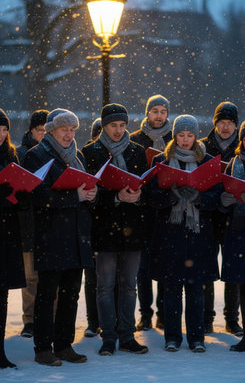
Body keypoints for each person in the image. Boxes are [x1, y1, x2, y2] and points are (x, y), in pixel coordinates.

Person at [24, 108, 97, 366]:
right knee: (47, 294)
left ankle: (64, 345)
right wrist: (74, 196)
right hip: (51, 235)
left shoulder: (77, 155)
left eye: (73, 129)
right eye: (64, 129)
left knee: (71, 293)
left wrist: (90, 194)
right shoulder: (37, 155)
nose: (69, 134)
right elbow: (38, 195)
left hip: (76, 236)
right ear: (51, 130)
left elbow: (83, 189)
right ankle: (43, 348)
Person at [149, 115, 221, 353]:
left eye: (190, 135)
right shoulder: (162, 160)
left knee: (195, 289)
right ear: (175, 136)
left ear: (196, 135)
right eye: (181, 135)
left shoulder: (208, 161)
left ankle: (196, 337)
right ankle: (172, 337)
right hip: (170, 234)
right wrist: (171, 195)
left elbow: (218, 197)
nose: (186, 140)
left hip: (199, 234)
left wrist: (200, 197)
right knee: (171, 289)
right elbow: (152, 198)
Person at [82, 103, 149, 356]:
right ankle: (108, 337)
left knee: (129, 286)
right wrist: (114, 197)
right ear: (104, 125)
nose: (119, 130)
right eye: (113, 125)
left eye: (122, 125)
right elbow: (89, 192)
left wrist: (139, 196)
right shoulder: (90, 151)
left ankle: (127, 335)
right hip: (104, 228)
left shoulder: (137, 151)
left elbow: (146, 186)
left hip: (133, 227)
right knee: (105, 286)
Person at [130, 94, 172, 331]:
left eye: (162, 111)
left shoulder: (175, 139)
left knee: (165, 265)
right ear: (147, 113)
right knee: (142, 269)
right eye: (154, 110)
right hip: (140, 210)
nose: (158, 115)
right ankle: (145, 314)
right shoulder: (135, 139)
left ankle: (164, 313)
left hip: (165, 209)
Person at [201, 101, 243, 336]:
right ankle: (207, 317)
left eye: (230, 123)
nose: (225, 127)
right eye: (221, 122)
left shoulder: (241, 147)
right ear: (215, 122)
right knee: (207, 268)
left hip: (234, 217)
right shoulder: (204, 147)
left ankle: (231, 318)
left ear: (236, 125)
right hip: (208, 215)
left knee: (233, 270)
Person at [17, 109, 49, 338]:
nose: (44, 135)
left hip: (50, 222)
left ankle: (49, 317)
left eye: (48, 131)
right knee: (30, 277)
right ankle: (29, 320)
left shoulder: (55, 152)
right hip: (27, 222)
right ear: (31, 131)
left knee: (49, 275)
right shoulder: (20, 154)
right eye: (40, 130)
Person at [0, 109, 26, 368]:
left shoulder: (11, 156)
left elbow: (21, 197)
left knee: (2, 295)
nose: (0, 134)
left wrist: (21, 194)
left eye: (4, 129)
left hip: (6, 234)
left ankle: (1, 352)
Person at [221, 120, 245, 351]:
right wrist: (225, 200)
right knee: (243, 286)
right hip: (238, 230)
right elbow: (223, 194)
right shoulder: (234, 164)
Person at [83, 117, 102, 337]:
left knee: (113, 278)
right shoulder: (86, 155)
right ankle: (92, 321)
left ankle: (109, 318)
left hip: (110, 223)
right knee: (92, 278)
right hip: (90, 224)